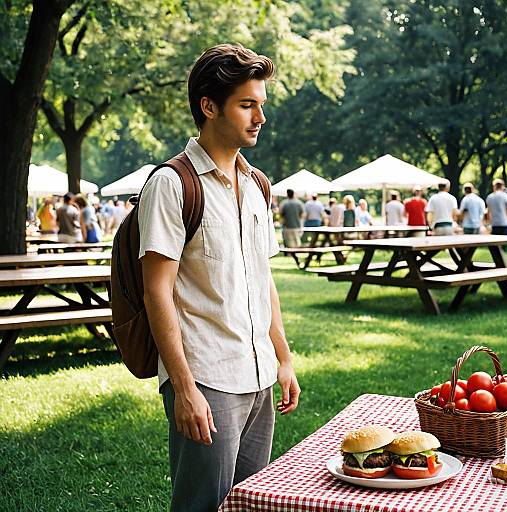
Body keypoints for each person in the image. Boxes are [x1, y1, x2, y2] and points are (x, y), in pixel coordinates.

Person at [138, 44, 300, 512]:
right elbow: (157, 293)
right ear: (209, 107)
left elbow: (262, 276)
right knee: (201, 505)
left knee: (250, 503)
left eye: (261, 105)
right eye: (247, 105)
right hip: (206, 376)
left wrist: (282, 359)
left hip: (257, 374)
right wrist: (184, 388)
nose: (260, 117)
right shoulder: (172, 184)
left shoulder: (257, 185)